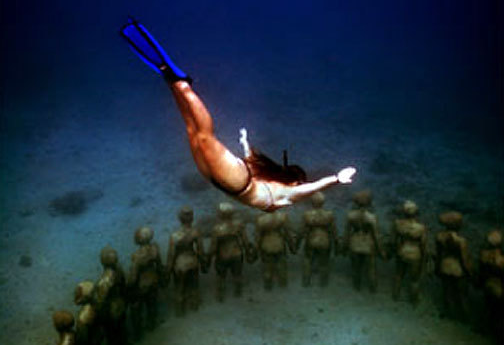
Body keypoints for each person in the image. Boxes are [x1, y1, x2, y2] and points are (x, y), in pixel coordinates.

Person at [120, 18, 356, 212]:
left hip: (228, 179)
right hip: (231, 181)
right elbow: (312, 188)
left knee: (194, 132)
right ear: (294, 180)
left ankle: (172, 82)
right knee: (203, 136)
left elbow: (251, 158)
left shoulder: (270, 181)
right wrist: (336, 179)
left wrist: (244, 141)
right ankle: (183, 85)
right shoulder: (288, 194)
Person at [342, 190, 385, 292]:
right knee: (371, 269)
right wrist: (381, 250)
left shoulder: (350, 216)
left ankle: (357, 287)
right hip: (368, 245)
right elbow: (376, 236)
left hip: (355, 244)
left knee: (356, 269)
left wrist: (344, 247)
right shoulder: (372, 217)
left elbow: (346, 234)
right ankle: (372, 289)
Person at [166, 206, 207, 314]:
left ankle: (180, 311)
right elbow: (200, 251)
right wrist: (203, 265)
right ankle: (194, 306)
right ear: (192, 218)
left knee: (179, 288)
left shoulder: (174, 236)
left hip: (180, 265)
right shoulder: (196, 232)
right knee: (194, 286)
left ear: (179, 218)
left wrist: (168, 272)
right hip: (193, 262)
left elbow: (171, 255)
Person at [298, 191, 339, 287]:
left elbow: (301, 231)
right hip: (325, 240)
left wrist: (296, 244)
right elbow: (334, 231)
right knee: (324, 262)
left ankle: (306, 282)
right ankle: (323, 283)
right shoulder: (329, 215)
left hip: (311, 240)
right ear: (323, 202)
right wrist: (337, 244)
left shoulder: (307, 214)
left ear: (312, 202)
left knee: (308, 261)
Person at [391, 200, 428, 305]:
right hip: (415, 255)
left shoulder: (397, 224)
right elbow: (423, 245)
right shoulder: (421, 228)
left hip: (402, 252)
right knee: (414, 280)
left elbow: (393, 241)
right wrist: (425, 260)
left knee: (398, 276)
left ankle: (395, 297)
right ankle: (414, 301)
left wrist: (395, 250)